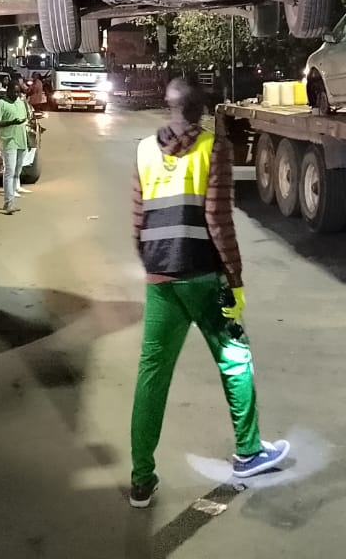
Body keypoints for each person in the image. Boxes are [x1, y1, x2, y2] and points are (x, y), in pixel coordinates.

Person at [127, 77, 289, 509]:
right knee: (235, 357)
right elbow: (217, 219)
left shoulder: (144, 149)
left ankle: (141, 478)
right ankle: (250, 452)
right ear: (202, 109)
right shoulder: (213, 147)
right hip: (202, 275)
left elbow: (137, 221)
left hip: (160, 276)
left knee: (152, 374)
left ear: (168, 106)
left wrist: (154, 266)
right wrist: (234, 279)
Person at [0, 79, 32, 214]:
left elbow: (25, 123)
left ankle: (14, 193)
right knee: (9, 171)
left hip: (21, 141)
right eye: (14, 92)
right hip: (9, 142)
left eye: (18, 92)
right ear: (7, 90)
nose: (16, 94)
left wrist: (28, 141)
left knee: (17, 171)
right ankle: (8, 203)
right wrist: (10, 123)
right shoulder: (0, 104)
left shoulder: (20, 102)